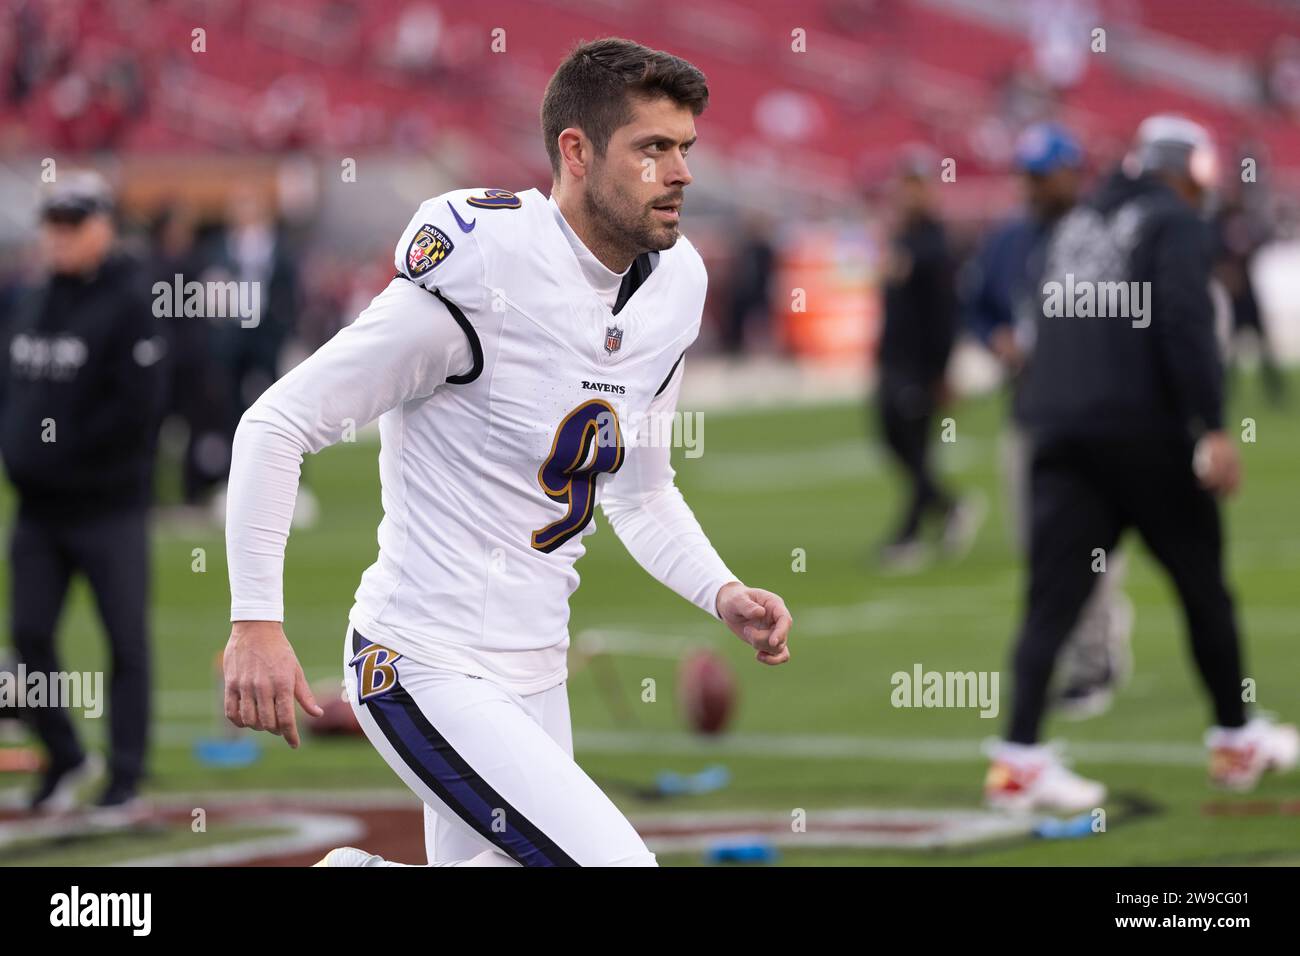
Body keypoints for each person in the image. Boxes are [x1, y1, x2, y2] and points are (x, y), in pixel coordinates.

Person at [221, 38, 793, 867]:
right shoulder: (485, 265)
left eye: (685, 149)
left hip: (536, 669)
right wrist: (255, 620)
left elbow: (639, 489)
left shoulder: (676, 286)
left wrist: (721, 590)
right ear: (576, 150)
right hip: (420, 660)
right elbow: (277, 424)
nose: (681, 173)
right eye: (653, 149)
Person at [984, 116, 1298, 813]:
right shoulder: (1173, 220)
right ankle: (1236, 738)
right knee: (1202, 588)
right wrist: (1212, 427)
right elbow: (1184, 320)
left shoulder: (1076, 221)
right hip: (1140, 431)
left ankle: (1017, 762)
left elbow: (1045, 315)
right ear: (1187, 167)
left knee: (1049, 605)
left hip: (1057, 430)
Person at [0, 171, 166, 813]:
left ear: (104, 226)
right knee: (29, 636)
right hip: (38, 510)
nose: (59, 237)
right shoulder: (31, 298)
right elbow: (13, 386)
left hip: (108, 507)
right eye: (53, 224)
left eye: (73, 224)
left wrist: (60, 455)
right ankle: (65, 755)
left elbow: (136, 409)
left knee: (124, 638)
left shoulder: (132, 300)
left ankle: (125, 775)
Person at [963, 122, 1133, 719]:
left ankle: (1096, 660)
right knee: (1038, 549)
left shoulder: (1104, 235)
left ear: (1072, 172)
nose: (1032, 188)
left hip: (1094, 415)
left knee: (1090, 549)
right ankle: (1082, 650)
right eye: (1027, 176)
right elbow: (979, 305)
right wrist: (998, 339)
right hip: (1030, 411)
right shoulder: (1010, 239)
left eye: (1043, 176)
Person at [875, 150, 980, 570]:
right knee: (896, 440)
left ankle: (910, 535)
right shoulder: (903, 239)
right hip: (895, 359)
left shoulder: (934, 244)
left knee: (915, 445)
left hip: (920, 364)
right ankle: (949, 507)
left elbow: (945, 313)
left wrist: (942, 370)